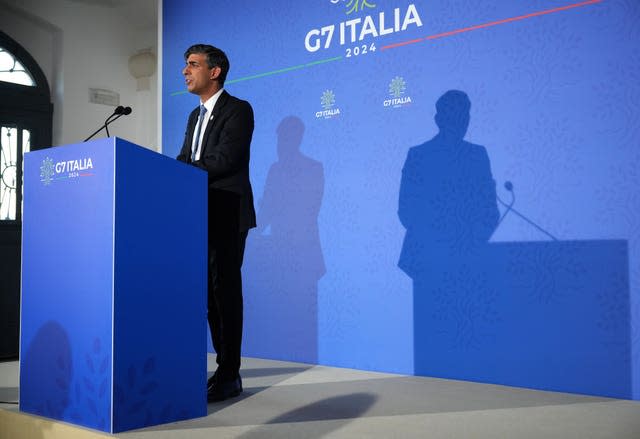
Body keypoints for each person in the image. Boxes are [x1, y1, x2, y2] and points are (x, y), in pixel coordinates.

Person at [176, 44, 256, 402]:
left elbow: (225, 159)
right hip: (197, 216)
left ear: (215, 72)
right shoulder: (194, 117)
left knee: (225, 295)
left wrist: (180, 171)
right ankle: (220, 369)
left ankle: (230, 374)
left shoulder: (238, 110)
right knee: (207, 296)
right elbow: (185, 157)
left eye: (192, 65)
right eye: (185, 65)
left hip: (226, 214)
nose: (184, 71)